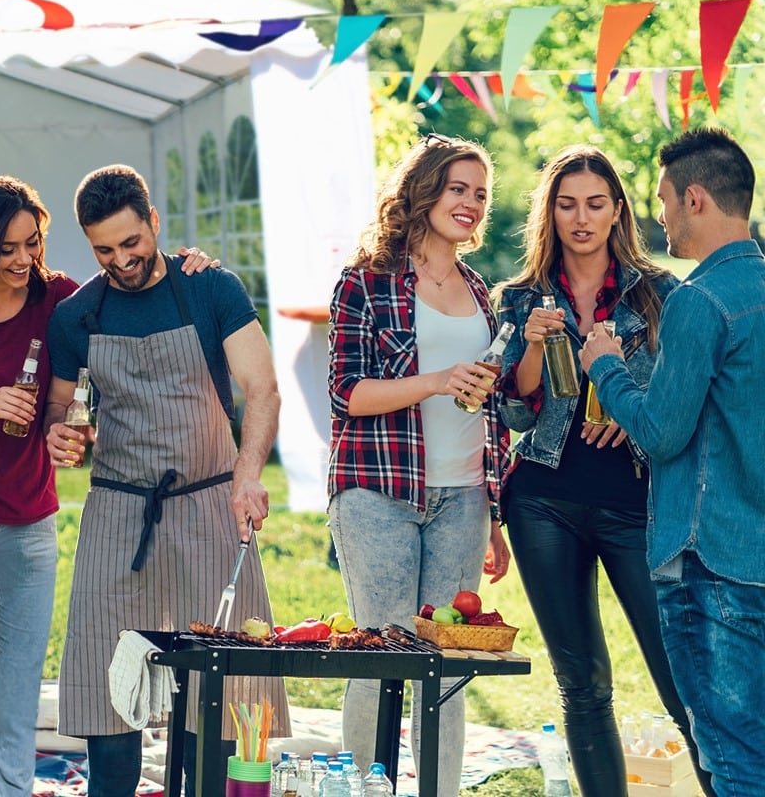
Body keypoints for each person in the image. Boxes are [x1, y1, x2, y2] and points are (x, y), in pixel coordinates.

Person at [0, 175, 213, 797]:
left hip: (31, 520)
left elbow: (136, 276)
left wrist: (193, 264)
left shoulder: (58, 299)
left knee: (20, 689)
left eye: (32, 243)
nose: (24, 260)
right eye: (7, 248)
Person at [44, 164, 289, 797]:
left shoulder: (211, 289)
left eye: (132, 242)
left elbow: (261, 390)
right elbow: (59, 412)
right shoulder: (77, 317)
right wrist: (61, 437)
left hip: (210, 499)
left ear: (154, 222)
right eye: (105, 250)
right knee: (106, 675)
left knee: (220, 678)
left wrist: (247, 477)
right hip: (119, 511)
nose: (122, 260)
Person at [492, 145, 711, 797]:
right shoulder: (521, 298)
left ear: (618, 210)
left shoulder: (662, 294)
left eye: (594, 203)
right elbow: (513, 411)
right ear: (550, 212)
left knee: (681, 676)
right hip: (542, 502)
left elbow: (686, 399)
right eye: (566, 205)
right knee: (582, 682)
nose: (580, 218)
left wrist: (631, 409)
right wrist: (531, 344)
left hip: (635, 502)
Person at [581, 127, 765, 796]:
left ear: (694, 199)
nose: (656, 216)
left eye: (660, 199)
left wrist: (607, 367)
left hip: (708, 564)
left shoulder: (698, 299)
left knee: (735, 762)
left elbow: (660, 432)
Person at [327, 133, 510, 795]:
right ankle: (364, 788)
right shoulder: (366, 281)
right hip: (378, 493)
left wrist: (494, 513)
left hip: (463, 498)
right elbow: (347, 394)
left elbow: (490, 410)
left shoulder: (480, 289)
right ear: (424, 191)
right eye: (457, 189)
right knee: (381, 653)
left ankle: (440, 789)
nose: (470, 203)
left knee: (450, 661)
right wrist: (434, 381)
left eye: (480, 194)